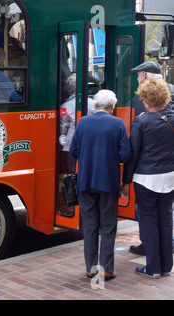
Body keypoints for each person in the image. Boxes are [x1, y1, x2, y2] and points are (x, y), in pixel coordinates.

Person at [69, 90, 131, 280]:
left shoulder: (83, 122)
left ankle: (90, 268)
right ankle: (107, 268)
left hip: (86, 181)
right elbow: (125, 155)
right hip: (108, 182)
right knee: (108, 225)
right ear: (112, 106)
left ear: (95, 105)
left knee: (89, 227)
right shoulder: (118, 123)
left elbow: (73, 151)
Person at [121, 78, 174, 278]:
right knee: (166, 219)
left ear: (146, 99)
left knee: (149, 221)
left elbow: (133, 154)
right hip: (170, 176)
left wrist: (126, 181)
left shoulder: (141, 121)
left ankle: (152, 268)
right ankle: (166, 267)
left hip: (147, 178)